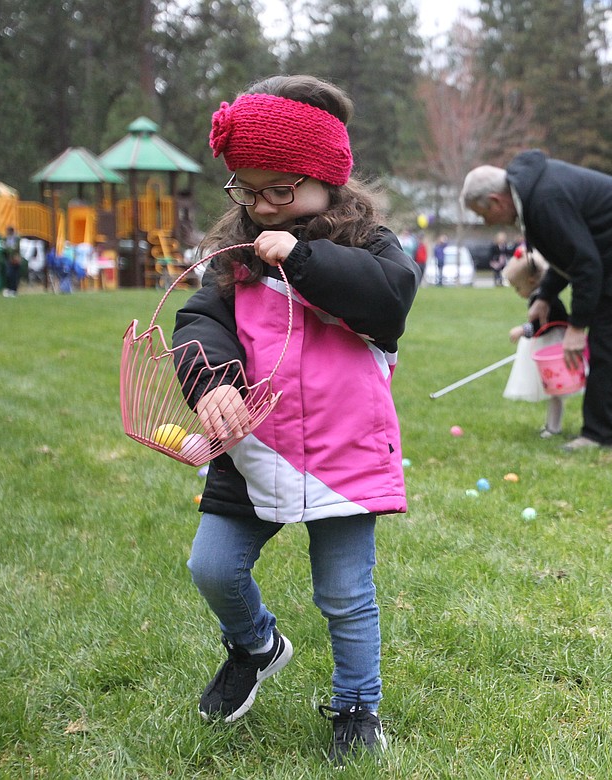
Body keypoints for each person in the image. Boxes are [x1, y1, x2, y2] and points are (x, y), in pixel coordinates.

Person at [171, 75, 421, 766]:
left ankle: (355, 704)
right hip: (255, 449)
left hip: (344, 451)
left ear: (325, 180)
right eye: (247, 189)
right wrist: (213, 384)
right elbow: (198, 322)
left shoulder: (372, 245)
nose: (260, 205)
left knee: (344, 593)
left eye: (280, 189)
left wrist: (304, 258)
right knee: (213, 567)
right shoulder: (233, 256)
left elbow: (386, 304)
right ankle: (255, 645)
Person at [461, 150, 612, 450]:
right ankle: (609, 427)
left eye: (482, 213)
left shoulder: (544, 201)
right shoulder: (532, 195)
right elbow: (567, 253)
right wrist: (545, 296)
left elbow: (586, 265)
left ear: (497, 201)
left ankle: (605, 434)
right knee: (607, 337)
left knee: (609, 339)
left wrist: (577, 328)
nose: (485, 222)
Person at [501, 249, 569, 437]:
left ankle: (554, 427)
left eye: (517, 288)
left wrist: (523, 330)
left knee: (555, 390)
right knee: (552, 390)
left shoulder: (545, 299)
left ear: (531, 281)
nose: (517, 292)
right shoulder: (541, 296)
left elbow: (544, 325)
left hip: (552, 347)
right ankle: (551, 425)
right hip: (546, 345)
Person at [2, 226, 21, 297]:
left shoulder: (16, 239)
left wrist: (8, 248)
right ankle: (9, 289)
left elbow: (16, 248)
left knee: (14, 275)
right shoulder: (5, 239)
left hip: (15, 260)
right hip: (8, 259)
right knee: (9, 275)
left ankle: (14, 290)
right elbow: (5, 248)